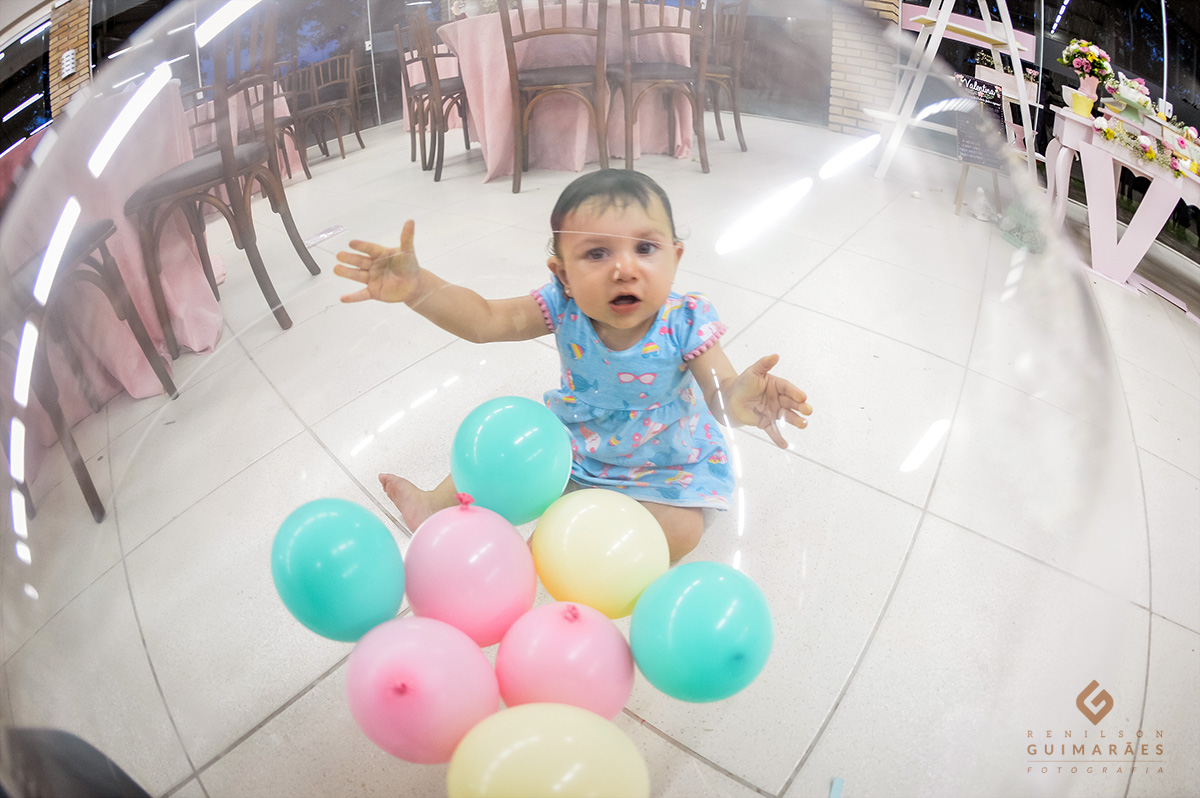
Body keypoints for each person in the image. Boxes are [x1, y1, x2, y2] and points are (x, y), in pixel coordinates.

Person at [334, 169, 811, 561]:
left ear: (675, 257)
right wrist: (419, 289)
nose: (624, 268)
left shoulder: (685, 319)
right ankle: (435, 506)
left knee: (682, 532)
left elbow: (719, 387)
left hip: (663, 460)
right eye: (597, 253)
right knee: (502, 444)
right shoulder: (561, 307)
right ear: (562, 274)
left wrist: (737, 398)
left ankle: (577, 551)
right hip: (574, 443)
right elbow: (484, 320)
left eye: (645, 248)